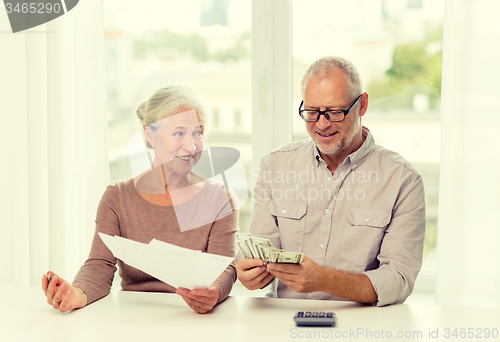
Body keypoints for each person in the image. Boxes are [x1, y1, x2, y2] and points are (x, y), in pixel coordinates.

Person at [236, 56, 425, 306]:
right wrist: (250, 273)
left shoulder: (403, 180)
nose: (322, 125)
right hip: (284, 320)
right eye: (312, 113)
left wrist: (325, 280)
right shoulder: (274, 166)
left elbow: (399, 280)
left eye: (335, 112)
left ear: (363, 105)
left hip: (363, 325)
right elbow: (261, 252)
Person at [42, 85, 238, 314]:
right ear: (150, 135)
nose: (191, 145)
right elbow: (100, 264)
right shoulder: (117, 197)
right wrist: (76, 293)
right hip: (133, 315)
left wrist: (213, 293)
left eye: (198, 132)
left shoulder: (220, 198)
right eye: (179, 133)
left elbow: (225, 268)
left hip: (196, 317)